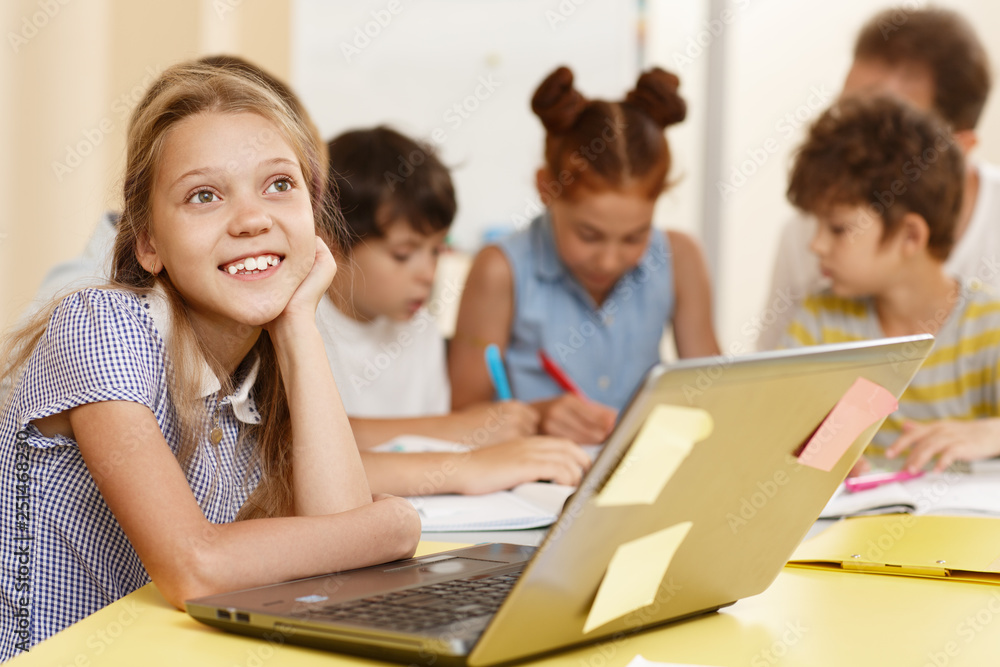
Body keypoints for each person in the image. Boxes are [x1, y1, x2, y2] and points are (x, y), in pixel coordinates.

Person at [0, 60, 424, 657]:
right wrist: (394, 526)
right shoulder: (103, 325)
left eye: (280, 185)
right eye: (204, 195)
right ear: (148, 243)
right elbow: (194, 567)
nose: (253, 219)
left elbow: (343, 572)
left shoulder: (258, 371)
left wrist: (299, 323)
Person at [449, 66, 720, 444]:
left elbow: (714, 392)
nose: (609, 260)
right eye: (589, 235)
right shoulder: (500, 270)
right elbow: (461, 415)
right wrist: (537, 417)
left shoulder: (681, 258)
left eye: (634, 236)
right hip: (532, 483)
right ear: (546, 188)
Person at [780, 94, 1000, 475]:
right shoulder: (821, 323)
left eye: (838, 228)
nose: (815, 245)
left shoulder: (988, 328)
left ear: (910, 236)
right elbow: (781, 434)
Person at [758, 6, 995, 351]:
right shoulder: (807, 233)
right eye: (844, 112)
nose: (847, 139)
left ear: (958, 149)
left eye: (885, 127)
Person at [320, 126, 540, 449]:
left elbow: (429, 449)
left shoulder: (420, 327)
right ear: (332, 245)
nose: (429, 273)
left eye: (437, 250)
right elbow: (308, 442)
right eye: (403, 254)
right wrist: (458, 427)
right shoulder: (303, 329)